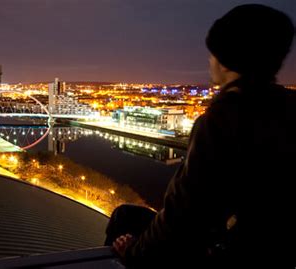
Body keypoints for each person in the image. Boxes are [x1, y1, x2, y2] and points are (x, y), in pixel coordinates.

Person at [106, 4, 295, 267]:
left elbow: (184, 213)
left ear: (227, 61)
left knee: (124, 219)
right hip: (278, 250)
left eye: (213, 54)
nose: (209, 61)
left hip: (234, 253)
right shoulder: (287, 105)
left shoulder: (223, 119)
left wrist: (134, 252)